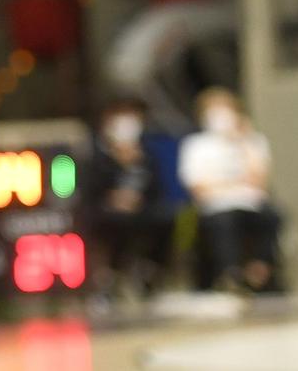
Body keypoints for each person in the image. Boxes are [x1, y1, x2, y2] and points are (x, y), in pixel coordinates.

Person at [178, 87, 282, 293]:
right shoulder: (196, 145)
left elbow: (259, 180)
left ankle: (259, 271)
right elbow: (198, 187)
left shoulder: (253, 141)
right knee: (225, 222)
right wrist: (232, 186)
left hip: (250, 204)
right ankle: (230, 275)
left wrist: (243, 142)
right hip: (215, 206)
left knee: (273, 217)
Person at [88, 94, 173, 298]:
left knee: (165, 218)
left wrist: (138, 196)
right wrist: (114, 195)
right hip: (107, 209)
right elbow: (90, 189)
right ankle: (113, 275)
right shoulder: (97, 153)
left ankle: (150, 271)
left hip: (141, 207)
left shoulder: (147, 153)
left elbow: (157, 189)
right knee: (117, 223)